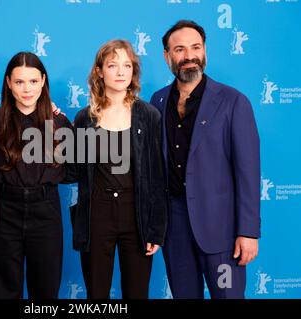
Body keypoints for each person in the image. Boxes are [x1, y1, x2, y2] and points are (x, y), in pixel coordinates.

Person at [150, 20, 261, 299]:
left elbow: (248, 171)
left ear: (205, 51)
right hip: (175, 230)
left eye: (195, 47)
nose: (189, 56)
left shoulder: (233, 102)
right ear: (167, 56)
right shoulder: (158, 101)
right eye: (179, 49)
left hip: (221, 232)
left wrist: (248, 231)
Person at [70, 40, 167, 299]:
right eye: (113, 65)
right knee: (97, 293)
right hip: (96, 213)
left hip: (136, 214)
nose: (121, 72)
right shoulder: (84, 119)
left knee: (137, 291)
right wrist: (55, 121)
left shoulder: (149, 116)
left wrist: (155, 228)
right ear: (100, 71)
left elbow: (157, 177)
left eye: (127, 65)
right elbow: (73, 169)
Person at [0, 52, 73, 299]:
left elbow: (74, 169)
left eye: (33, 81)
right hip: (3, 211)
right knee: (2, 288)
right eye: (20, 81)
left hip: (45, 211)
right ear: (8, 83)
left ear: (43, 81)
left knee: (45, 289)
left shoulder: (60, 123)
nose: (27, 89)